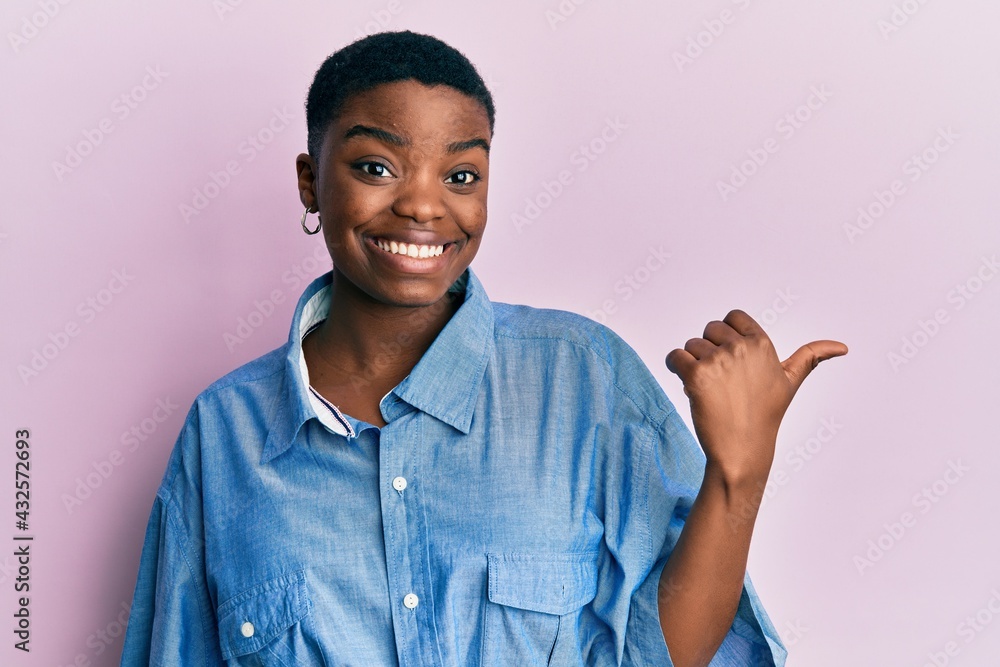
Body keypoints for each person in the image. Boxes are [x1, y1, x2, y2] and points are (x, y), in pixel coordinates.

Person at [120, 30, 846, 666]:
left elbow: (657, 655)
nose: (424, 205)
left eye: (461, 174)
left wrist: (738, 475)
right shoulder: (223, 434)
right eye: (377, 167)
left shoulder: (582, 376)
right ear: (311, 183)